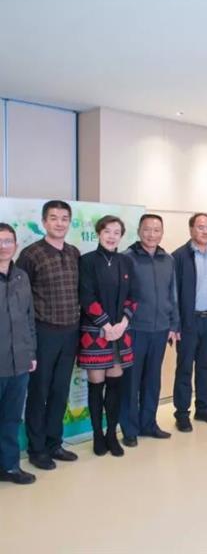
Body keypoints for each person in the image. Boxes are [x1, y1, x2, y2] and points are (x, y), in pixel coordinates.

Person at [17, 200, 80, 471]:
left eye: (64, 218)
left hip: (71, 332)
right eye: (53, 218)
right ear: (44, 222)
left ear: (69, 222)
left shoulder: (74, 252)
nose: (59, 223)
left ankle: (55, 443)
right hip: (43, 333)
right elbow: (21, 299)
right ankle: (37, 448)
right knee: (39, 392)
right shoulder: (31, 254)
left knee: (60, 391)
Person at [79, 215, 136, 456]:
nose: (111, 236)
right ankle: (97, 435)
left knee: (115, 387)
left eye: (116, 232)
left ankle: (112, 434)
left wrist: (122, 323)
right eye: (107, 231)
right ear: (98, 233)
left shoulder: (126, 261)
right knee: (96, 386)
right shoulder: (86, 261)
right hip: (95, 334)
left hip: (120, 333)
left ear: (121, 236)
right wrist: (106, 325)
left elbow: (134, 296)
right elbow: (86, 297)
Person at [119, 214, 179, 446]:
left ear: (162, 233)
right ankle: (130, 429)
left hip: (161, 329)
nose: (151, 234)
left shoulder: (168, 259)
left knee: (152, 380)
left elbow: (173, 294)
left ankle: (149, 424)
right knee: (131, 381)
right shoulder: (127, 258)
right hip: (134, 329)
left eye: (156, 230)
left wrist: (173, 324)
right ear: (139, 231)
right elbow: (122, 296)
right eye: (147, 229)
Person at [172, 213, 207, 432]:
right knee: (184, 368)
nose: (205, 231)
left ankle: (203, 408)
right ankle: (182, 413)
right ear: (191, 229)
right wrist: (175, 324)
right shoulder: (179, 256)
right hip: (188, 322)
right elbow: (173, 294)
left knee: (205, 367)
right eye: (201, 227)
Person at [0, 223, 37, 485]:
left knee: (12, 418)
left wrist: (31, 353)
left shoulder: (22, 276)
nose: (3, 247)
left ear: (16, 245)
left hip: (20, 361)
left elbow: (29, 318)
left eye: (8, 241)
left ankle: (10, 466)